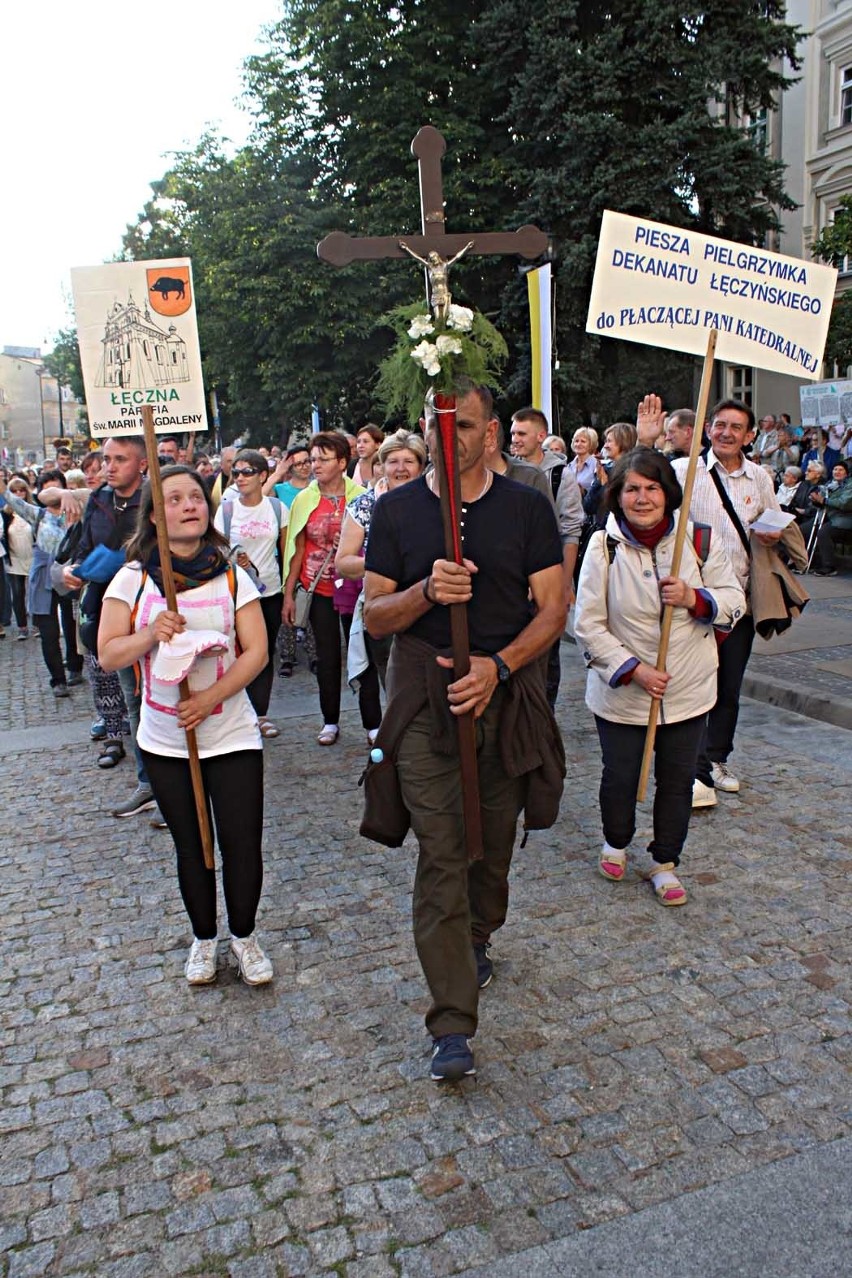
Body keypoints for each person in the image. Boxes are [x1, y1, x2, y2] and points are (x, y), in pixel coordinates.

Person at [363, 382, 566, 1082]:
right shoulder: (395, 510)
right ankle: (451, 1023)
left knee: (492, 847)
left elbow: (553, 609)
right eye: (437, 426)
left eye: (467, 426)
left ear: (492, 432)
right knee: (443, 852)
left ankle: (479, 933)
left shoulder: (527, 507)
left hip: (505, 697)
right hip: (424, 702)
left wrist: (499, 668)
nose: (451, 440)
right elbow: (375, 615)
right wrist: (426, 592)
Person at [98, 466, 272, 987]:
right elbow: (108, 653)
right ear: (155, 516)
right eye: (174, 499)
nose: (189, 505)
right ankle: (204, 938)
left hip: (232, 732)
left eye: (195, 497)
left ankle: (244, 936)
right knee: (193, 844)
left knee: (242, 842)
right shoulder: (132, 578)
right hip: (166, 739)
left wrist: (213, 698)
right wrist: (151, 633)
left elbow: (257, 650)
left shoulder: (231, 572)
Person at [574, 449, 745, 906]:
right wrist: (633, 670)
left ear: (668, 493)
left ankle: (664, 860)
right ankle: (616, 840)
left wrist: (694, 596)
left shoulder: (698, 540)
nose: (642, 498)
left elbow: (734, 600)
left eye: (652, 488)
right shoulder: (602, 546)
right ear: (618, 495)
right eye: (632, 489)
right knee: (621, 775)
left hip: (687, 687)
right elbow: (587, 624)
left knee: (678, 779)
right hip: (625, 693)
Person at [671, 400, 783, 806]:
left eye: (736, 427)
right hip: (694, 602)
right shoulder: (683, 472)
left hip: (741, 602)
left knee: (728, 688)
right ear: (707, 429)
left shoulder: (759, 477)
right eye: (720, 425)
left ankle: (716, 758)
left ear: (750, 435)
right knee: (693, 685)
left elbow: (774, 522)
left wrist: (771, 535)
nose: (726, 433)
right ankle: (693, 768)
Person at [64, 437, 154, 817]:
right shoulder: (98, 500)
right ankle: (148, 784)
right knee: (134, 702)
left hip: (152, 612)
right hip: (112, 618)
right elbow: (83, 549)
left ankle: (177, 789)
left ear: (142, 464)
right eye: (106, 459)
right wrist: (74, 570)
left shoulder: (157, 500)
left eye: (119, 459)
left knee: (164, 703)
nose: (109, 466)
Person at [282, 432, 367, 745]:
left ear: (342, 462)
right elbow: (296, 549)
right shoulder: (304, 499)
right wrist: (289, 594)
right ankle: (330, 721)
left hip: (356, 590)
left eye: (323, 459)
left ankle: (373, 722)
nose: (315, 465)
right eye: (313, 458)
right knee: (327, 658)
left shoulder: (361, 495)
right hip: (318, 590)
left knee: (363, 654)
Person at [335, 428, 427, 712]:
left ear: (421, 466)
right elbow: (343, 562)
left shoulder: (436, 501)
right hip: (385, 607)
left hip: (430, 606)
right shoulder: (365, 505)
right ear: (381, 466)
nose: (400, 468)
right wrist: (384, 563)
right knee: (398, 688)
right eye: (393, 461)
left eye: (408, 461)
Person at [214, 448, 287, 737]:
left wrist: (289, 591)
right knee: (235, 651)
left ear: (263, 476)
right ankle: (238, 711)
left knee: (264, 652)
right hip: (235, 593)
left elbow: (286, 551)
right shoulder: (227, 509)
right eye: (236, 472)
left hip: (269, 591)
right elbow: (218, 549)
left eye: (247, 472)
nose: (240, 478)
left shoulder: (277, 509)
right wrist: (234, 559)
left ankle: (262, 713)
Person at [0, 469, 84, 695]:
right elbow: (10, 498)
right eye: (46, 488)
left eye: (56, 487)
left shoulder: (78, 511)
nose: (52, 493)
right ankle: (58, 680)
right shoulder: (36, 514)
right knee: (48, 632)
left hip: (70, 576)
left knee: (72, 624)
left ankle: (75, 667)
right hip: (44, 578)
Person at [1, 476, 35, 637]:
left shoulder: (32, 510)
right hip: (15, 559)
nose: (19, 494)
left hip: (33, 556)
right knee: (17, 592)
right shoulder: (6, 514)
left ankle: (37, 624)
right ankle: (22, 626)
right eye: (14, 491)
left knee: (35, 592)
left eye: (21, 490)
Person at [807, 459, 852, 575]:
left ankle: (829, 567)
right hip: (829, 517)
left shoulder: (850, 485)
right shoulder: (830, 484)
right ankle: (805, 562)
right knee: (804, 529)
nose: (837, 472)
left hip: (844, 520)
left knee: (824, 533)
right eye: (835, 469)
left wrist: (825, 500)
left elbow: (844, 503)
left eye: (841, 470)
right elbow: (821, 500)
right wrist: (815, 500)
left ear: (846, 473)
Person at [567, 427, 599, 492]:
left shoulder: (596, 465)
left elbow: (599, 491)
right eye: (576, 441)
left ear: (591, 444)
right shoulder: (569, 466)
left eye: (583, 441)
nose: (579, 444)